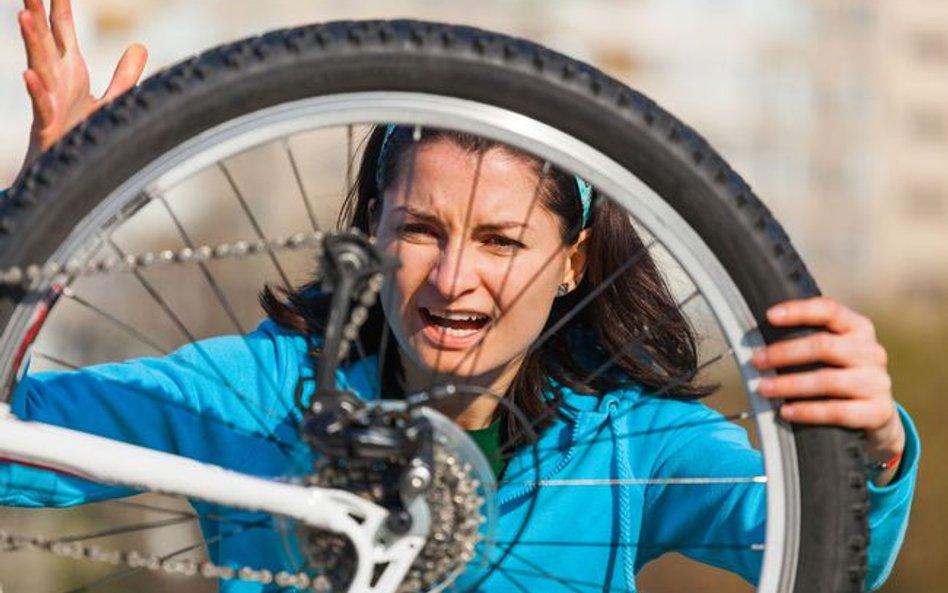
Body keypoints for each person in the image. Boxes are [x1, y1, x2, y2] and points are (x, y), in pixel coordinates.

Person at [1, 1, 918, 592]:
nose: (452, 277)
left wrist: (869, 444)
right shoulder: (262, 390)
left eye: (501, 241)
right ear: (372, 232)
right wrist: (41, 225)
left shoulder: (628, 442)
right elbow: (11, 447)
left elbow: (826, 542)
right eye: (420, 230)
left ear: (572, 258)